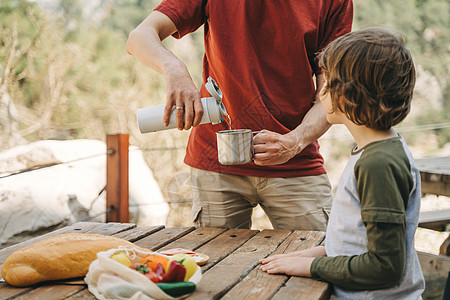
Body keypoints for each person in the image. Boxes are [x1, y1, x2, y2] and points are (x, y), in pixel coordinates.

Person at [126, 1, 353, 230]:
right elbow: (140, 37)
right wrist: (172, 68)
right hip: (216, 162)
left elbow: (330, 94)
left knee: (317, 259)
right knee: (215, 264)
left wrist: (294, 143)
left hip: (296, 162)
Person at [260, 26, 425, 299]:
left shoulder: (379, 164)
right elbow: (360, 239)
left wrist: (314, 266)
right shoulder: (374, 151)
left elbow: (385, 266)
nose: (320, 90)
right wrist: (317, 253)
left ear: (349, 94)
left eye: (328, 82)